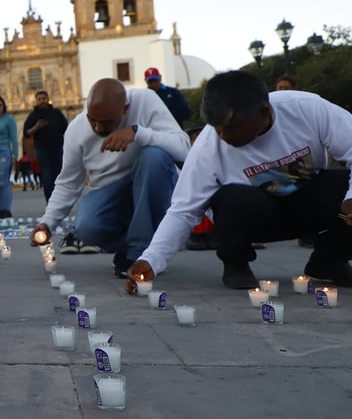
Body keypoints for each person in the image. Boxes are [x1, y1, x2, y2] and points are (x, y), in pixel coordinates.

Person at [126, 71, 352, 291]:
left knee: (344, 186)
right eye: (217, 126)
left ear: (264, 113)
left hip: (308, 203)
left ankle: (329, 260)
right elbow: (183, 210)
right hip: (256, 217)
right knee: (234, 197)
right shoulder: (208, 146)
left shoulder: (306, 108)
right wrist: (150, 260)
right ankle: (236, 264)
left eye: (232, 127)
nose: (223, 135)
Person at [29, 79, 190, 277]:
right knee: (87, 227)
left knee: (154, 157)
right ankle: (128, 247)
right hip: (110, 194)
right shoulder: (76, 130)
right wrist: (48, 223)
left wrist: (138, 133)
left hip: (153, 186)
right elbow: (68, 184)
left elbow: (184, 149)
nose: (97, 128)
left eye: (106, 122)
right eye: (92, 119)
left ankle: (141, 253)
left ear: (125, 109)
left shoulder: (145, 100)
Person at [23, 90, 69, 202]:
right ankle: (50, 203)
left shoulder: (57, 113)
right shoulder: (33, 116)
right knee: (47, 178)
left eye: (44, 98)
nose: (42, 101)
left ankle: (61, 202)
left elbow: (67, 129)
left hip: (58, 149)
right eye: (39, 99)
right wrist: (37, 127)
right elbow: (26, 133)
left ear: (48, 99)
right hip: (43, 151)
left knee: (60, 177)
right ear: (36, 101)